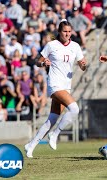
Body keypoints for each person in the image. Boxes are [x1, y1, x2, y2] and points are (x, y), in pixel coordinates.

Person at [24, 19, 87, 158]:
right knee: (74, 109)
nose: (67, 34)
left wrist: (83, 65)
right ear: (59, 32)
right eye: (65, 31)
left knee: (52, 119)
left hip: (66, 86)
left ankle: (31, 146)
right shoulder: (51, 45)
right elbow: (37, 61)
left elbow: (82, 66)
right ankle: (55, 134)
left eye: (69, 31)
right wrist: (43, 63)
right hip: (54, 83)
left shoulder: (75, 46)